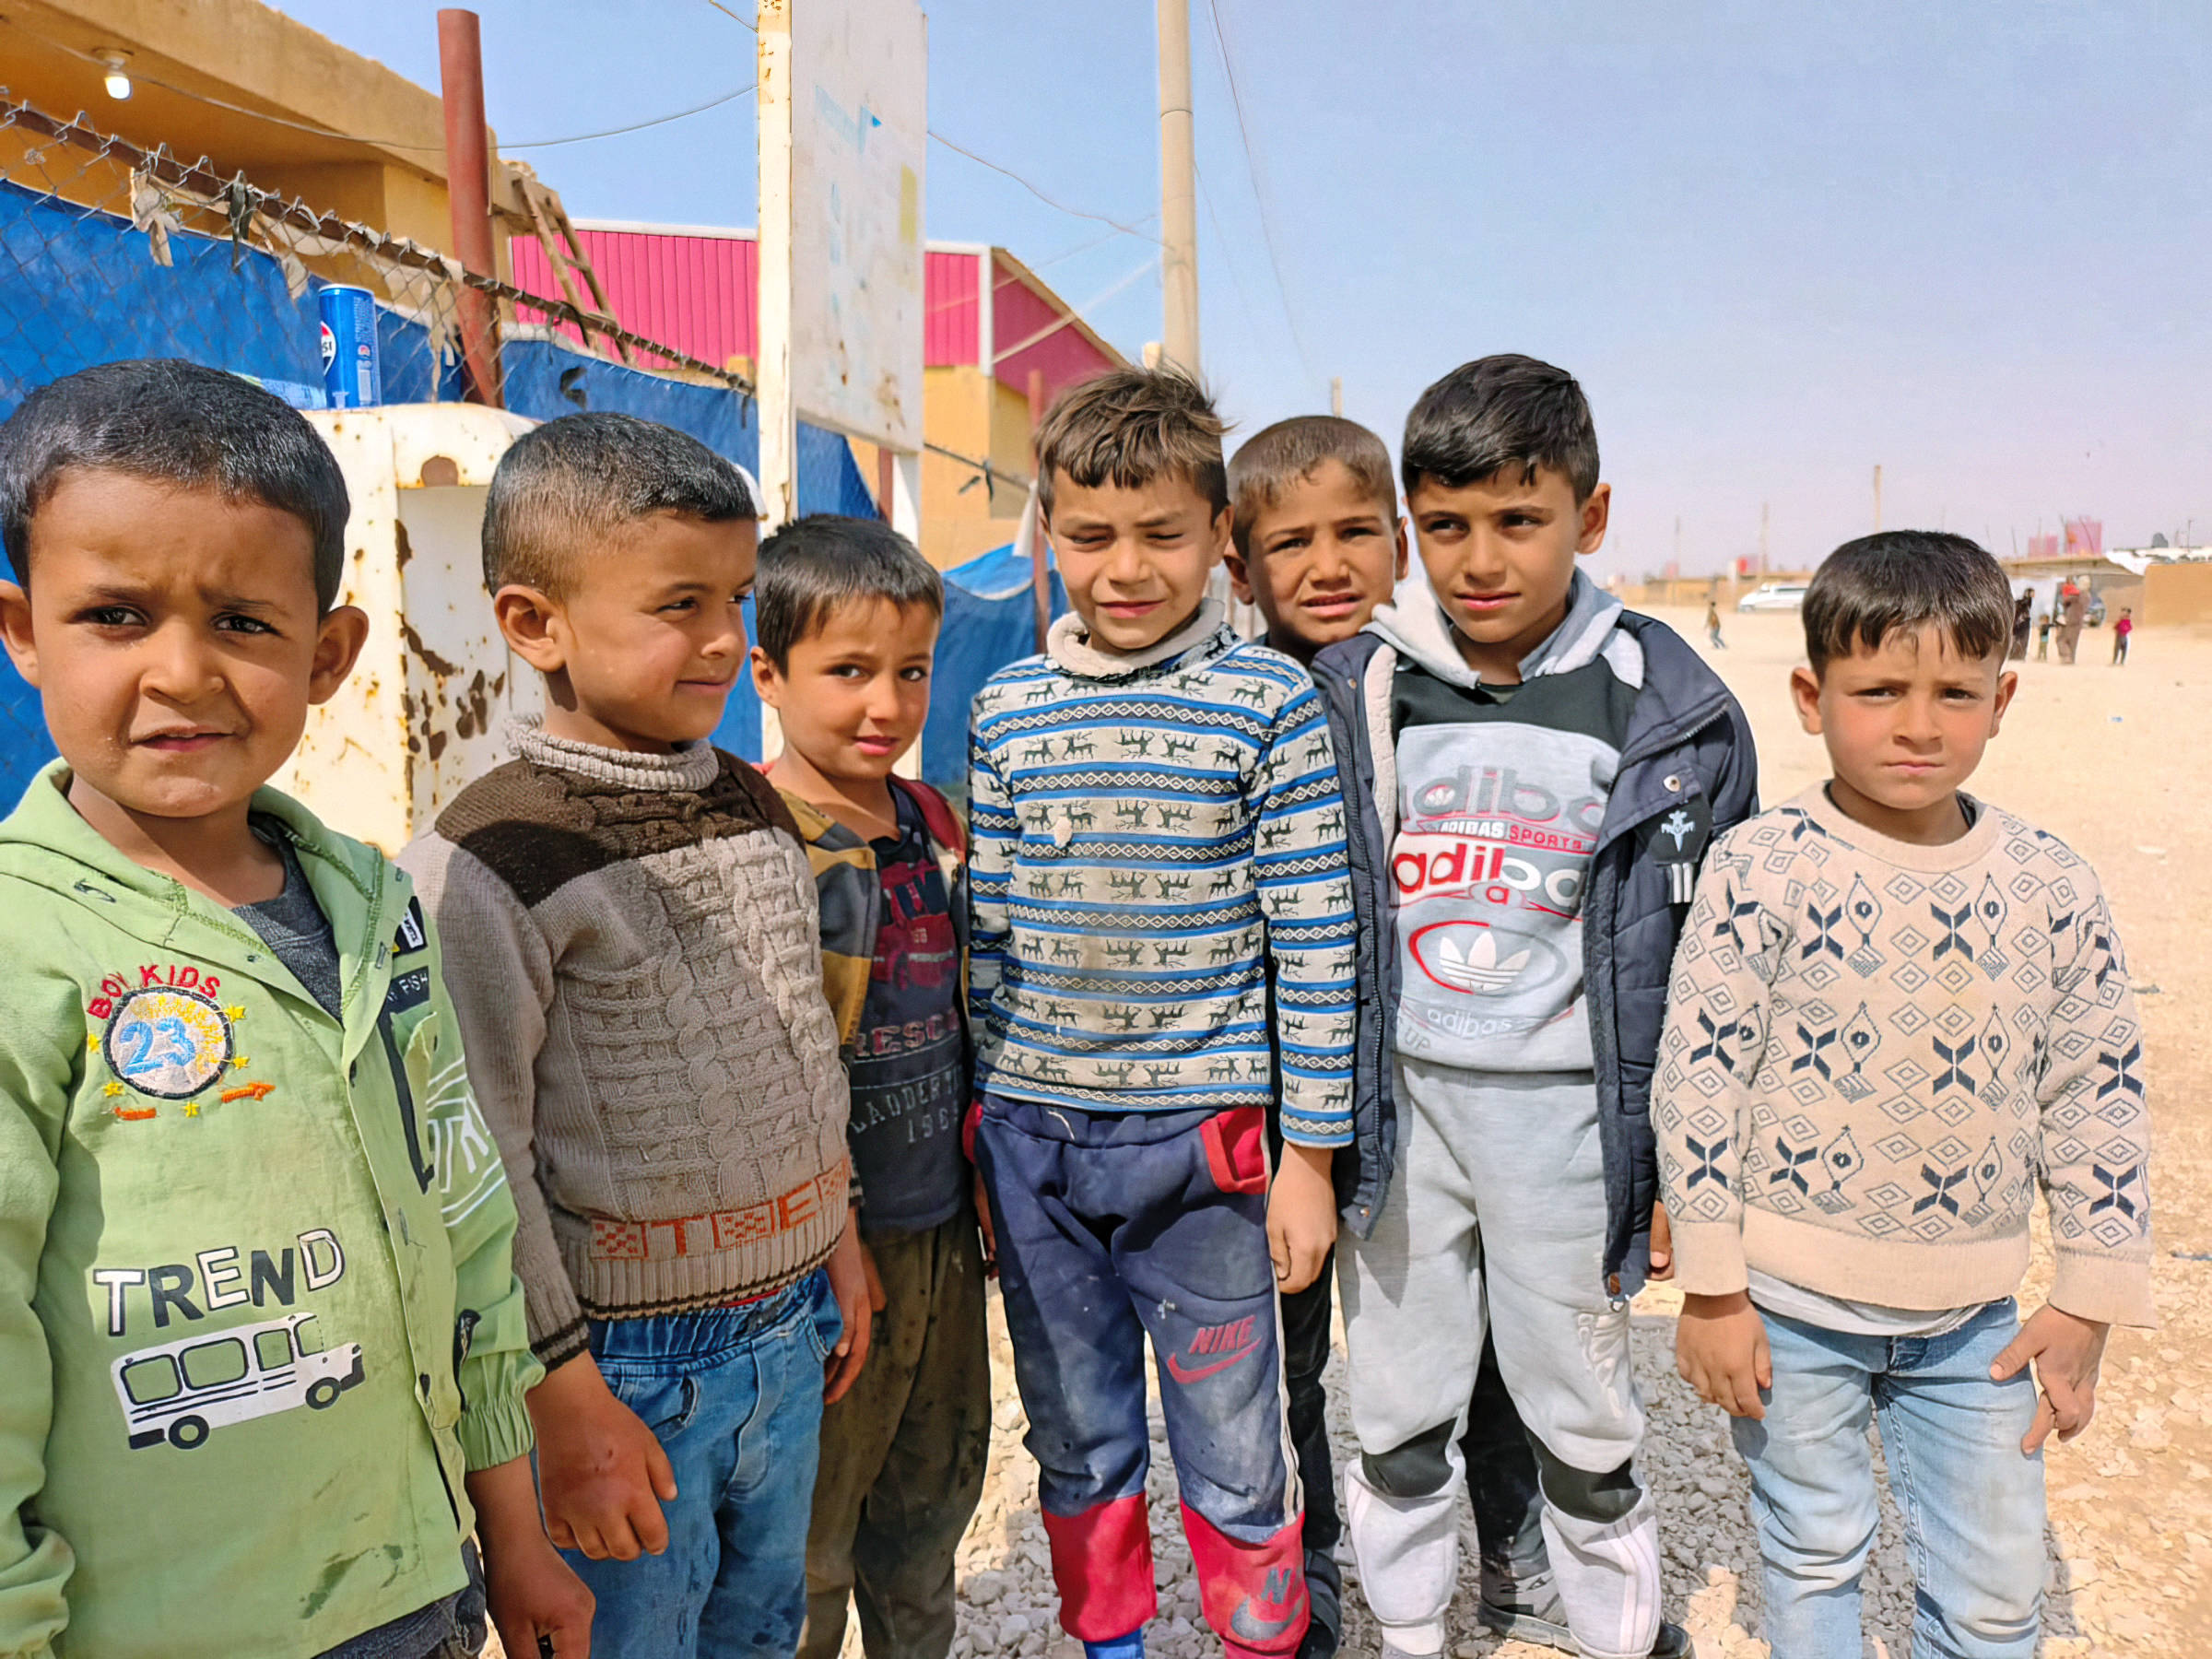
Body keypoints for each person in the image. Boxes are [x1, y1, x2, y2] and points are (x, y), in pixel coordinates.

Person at [0, 359, 590, 1659]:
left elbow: (465, 1234)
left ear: (329, 656)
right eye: (114, 615)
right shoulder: (21, 947)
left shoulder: (368, 900)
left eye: (243, 624)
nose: (182, 673)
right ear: (23, 630)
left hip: (421, 1593)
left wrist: (517, 1542)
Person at [401, 413, 871, 1659]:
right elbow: (481, 1153)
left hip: (790, 1331)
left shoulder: (750, 796)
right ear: (532, 623)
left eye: (737, 596)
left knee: (763, 1631)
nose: (728, 639)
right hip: (626, 1372)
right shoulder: (487, 862)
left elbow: (796, 1050)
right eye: (680, 604)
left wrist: (839, 1238)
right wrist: (562, 1396)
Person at [1311, 355, 1758, 1659]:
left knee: (1580, 1405)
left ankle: (1615, 1631)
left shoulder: (1671, 707)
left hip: (1568, 1127)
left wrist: (1685, 1167)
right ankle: (1405, 1633)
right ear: (1411, 531)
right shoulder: (1367, 688)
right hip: (1405, 1119)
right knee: (1396, 1400)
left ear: (1593, 515)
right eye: (1445, 526)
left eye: (1521, 519)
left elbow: (1713, 963)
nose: (1480, 559)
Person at [1656, 530, 2155, 1658]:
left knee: (1993, 1596)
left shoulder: (2051, 886)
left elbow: (2099, 1095)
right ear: (1809, 694)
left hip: (1975, 1326)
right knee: (1813, 1555)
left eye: (1954, 693)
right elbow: (1700, 1079)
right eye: (1879, 691)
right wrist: (1716, 1288)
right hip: (1788, 1315)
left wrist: (2086, 1299)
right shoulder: (1759, 867)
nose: (1919, 725)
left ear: (2002, 696)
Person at [967, 368, 1358, 1659]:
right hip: (1036, 1148)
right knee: (1078, 1444)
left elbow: (1314, 942)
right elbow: (990, 936)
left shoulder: (1267, 703)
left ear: (1218, 543)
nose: (1125, 568)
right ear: (1047, 533)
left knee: (1239, 1455)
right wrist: (984, 1136)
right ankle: (1112, 1645)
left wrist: (1308, 1159)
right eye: (1089, 536)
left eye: (1162, 535)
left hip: (1207, 1153)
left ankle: (1259, 1639)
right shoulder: (1007, 711)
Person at [1225, 414, 1563, 1655]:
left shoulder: (1454, 680)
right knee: (1287, 1356)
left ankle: (1517, 1564)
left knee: (1474, 1336)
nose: (1326, 563)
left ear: (1401, 542)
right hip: (1277, 1095)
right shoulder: (1234, 697)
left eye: (1356, 532)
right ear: (1236, 563)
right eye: (1289, 540)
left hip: (1431, 1084)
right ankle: (1307, 1585)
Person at [750, 516, 990, 1659]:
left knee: (929, 1507)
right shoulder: (753, 842)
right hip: (820, 1257)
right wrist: (830, 1225)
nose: (884, 705)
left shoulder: (934, 824)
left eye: (910, 671)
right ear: (769, 675)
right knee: (807, 1542)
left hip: (939, 1230)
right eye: (847, 672)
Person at [2056, 582, 2087, 663]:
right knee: (2069, 642)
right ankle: (2069, 658)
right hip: (2072, 623)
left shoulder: (2073, 599)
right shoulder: (2077, 600)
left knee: (2063, 640)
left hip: (2073, 623)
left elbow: (2066, 601)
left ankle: (2068, 658)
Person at [2010, 588, 2032, 659]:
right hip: (2022, 623)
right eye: (2032, 593)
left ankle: (2018, 656)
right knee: (2019, 639)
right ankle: (2017, 656)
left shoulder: (2025, 601)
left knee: (2020, 640)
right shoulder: (2024, 601)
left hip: (2022, 622)